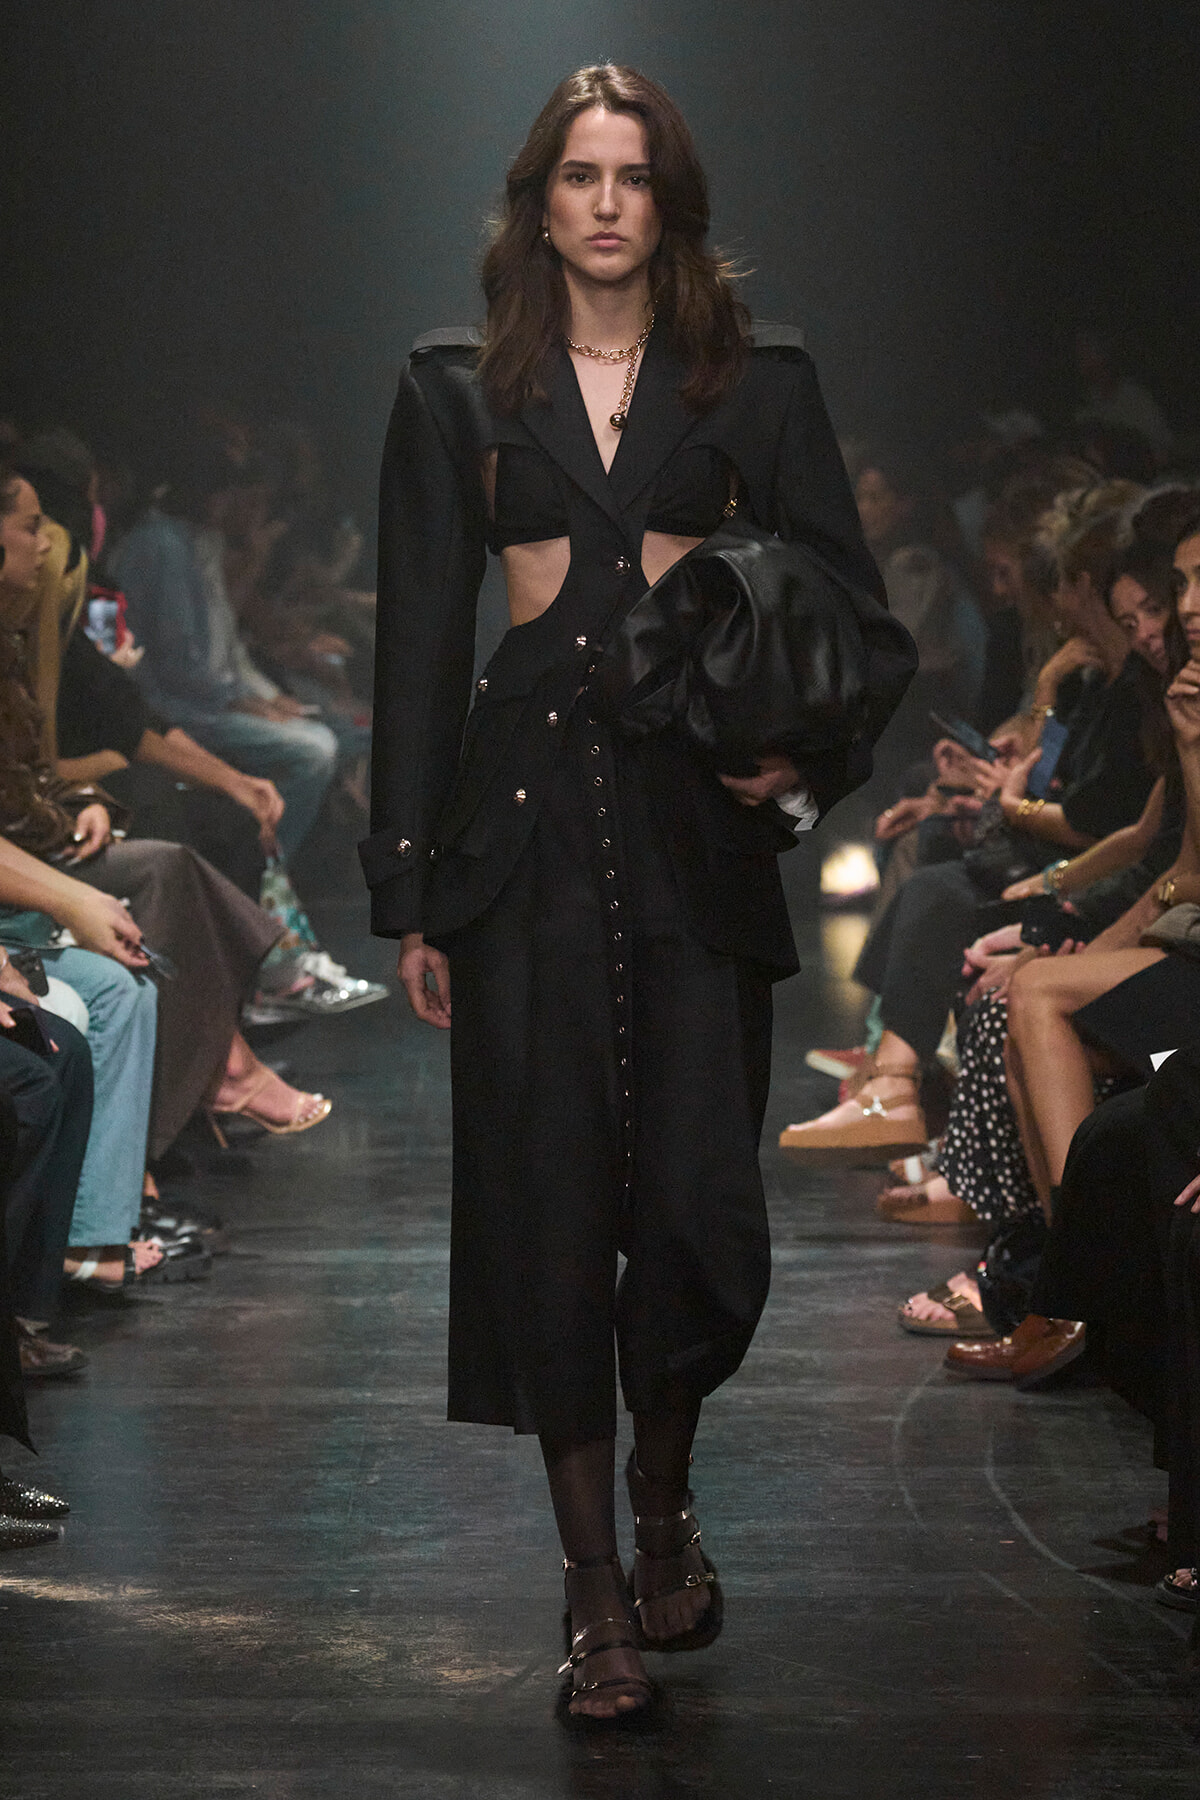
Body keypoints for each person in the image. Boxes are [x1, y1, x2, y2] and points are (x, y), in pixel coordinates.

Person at [362, 65, 912, 1724]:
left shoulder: (759, 381)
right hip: (523, 831)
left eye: (634, 176)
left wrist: (800, 778)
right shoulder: (455, 389)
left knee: (693, 1209)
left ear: (669, 203)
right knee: (546, 1211)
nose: (606, 203)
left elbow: (859, 626)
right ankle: (595, 1586)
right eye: (580, 175)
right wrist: (409, 892)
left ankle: (666, 1495)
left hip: (692, 826)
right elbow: (417, 649)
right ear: (539, 204)